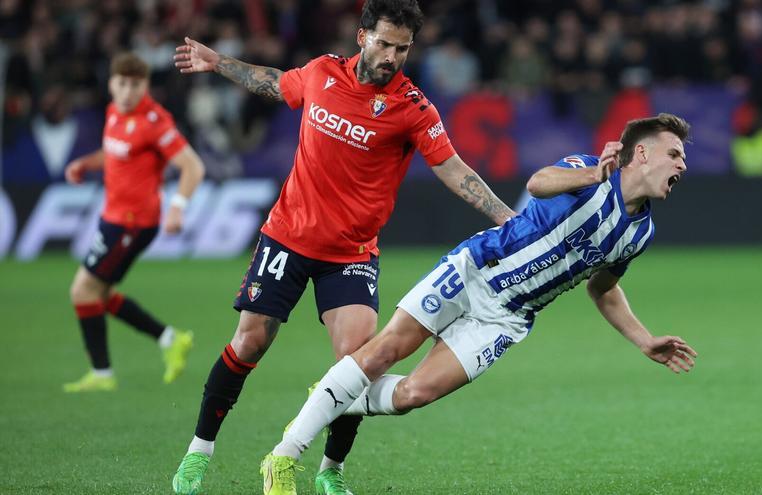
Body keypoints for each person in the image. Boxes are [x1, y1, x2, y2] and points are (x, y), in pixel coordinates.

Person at [170, 1, 515, 493]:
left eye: (403, 48)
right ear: (362, 37)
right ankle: (197, 454)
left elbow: (454, 169)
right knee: (249, 342)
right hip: (287, 236)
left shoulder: (414, 107)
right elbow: (273, 81)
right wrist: (217, 62)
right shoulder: (321, 74)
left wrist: (507, 218)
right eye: (385, 43)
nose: (393, 56)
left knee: (358, 359)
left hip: (350, 253)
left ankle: (330, 470)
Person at [262, 113, 699, 494]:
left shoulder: (640, 234)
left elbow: (602, 289)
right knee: (385, 350)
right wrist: (594, 176)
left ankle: (330, 394)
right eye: (674, 154)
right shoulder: (588, 170)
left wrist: (645, 341)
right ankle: (284, 456)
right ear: (640, 153)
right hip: (476, 269)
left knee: (415, 393)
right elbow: (538, 183)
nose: (681, 164)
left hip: (507, 318)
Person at [62, 52, 205, 392]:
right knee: (101, 292)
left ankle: (102, 374)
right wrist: (86, 163)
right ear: (112, 84)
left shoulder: (155, 121)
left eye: (135, 84)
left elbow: (193, 167)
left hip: (132, 222)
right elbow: (114, 153)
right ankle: (171, 339)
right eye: (122, 84)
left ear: (145, 86)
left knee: (83, 290)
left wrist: (177, 207)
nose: (127, 91)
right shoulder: (114, 112)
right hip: (112, 218)